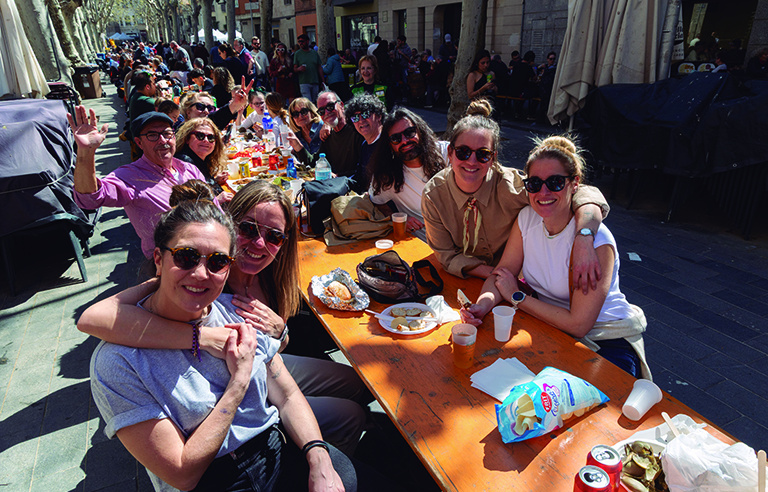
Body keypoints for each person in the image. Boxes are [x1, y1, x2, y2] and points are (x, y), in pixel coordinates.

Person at [82, 188, 360, 491]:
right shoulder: (117, 361)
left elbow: (287, 394)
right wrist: (236, 378)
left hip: (271, 447)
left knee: (344, 464)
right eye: (186, 257)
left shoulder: (236, 308)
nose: (201, 273)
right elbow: (182, 474)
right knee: (349, 415)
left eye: (217, 262)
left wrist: (318, 460)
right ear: (158, 260)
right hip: (215, 477)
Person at [460, 136, 650, 380]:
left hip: (606, 341)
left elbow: (579, 324)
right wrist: (482, 306)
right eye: (535, 184)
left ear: (574, 184)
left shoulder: (596, 241)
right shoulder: (527, 219)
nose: (544, 192)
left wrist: (516, 297)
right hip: (552, 329)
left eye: (555, 182)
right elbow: (502, 274)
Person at [421, 99, 609, 289]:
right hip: (471, 278)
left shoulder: (513, 187)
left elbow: (582, 192)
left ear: (493, 159)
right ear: (450, 153)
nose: (472, 161)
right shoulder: (433, 195)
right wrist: (496, 274)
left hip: (511, 285)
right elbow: (446, 255)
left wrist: (584, 237)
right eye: (463, 152)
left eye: (483, 154)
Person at [70, 108, 208, 258]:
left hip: (208, 247)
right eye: (152, 135)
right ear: (139, 142)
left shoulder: (188, 169)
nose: (162, 140)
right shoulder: (129, 176)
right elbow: (89, 199)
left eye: (167, 133)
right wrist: (85, 152)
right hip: (173, 262)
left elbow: (214, 207)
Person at [368, 107, 447, 241]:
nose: (404, 141)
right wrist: (398, 217)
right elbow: (376, 201)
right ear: (390, 146)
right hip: (428, 247)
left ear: (420, 131)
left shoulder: (446, 152)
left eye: (409, 132)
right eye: (396, 138)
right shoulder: (387, 176)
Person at [287, 91, 365, 190]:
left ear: (341, 105)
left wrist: (336, 176)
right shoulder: (328, 135)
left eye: (330, 106)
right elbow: (314, 163)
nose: (327, 113)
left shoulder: (357, 129)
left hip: (354, 189)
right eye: (322, 111)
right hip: (336, 186)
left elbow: (363, 170)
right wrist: (297, 146)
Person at [174, 118, 231, 198]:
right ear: (187, 139)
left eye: (211, 137)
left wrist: (214, 181)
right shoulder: (184, 163)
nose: (206, 140)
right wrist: (217, 200)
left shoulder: (201, 158)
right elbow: (189, 202)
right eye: (200, 136)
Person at [343, 94, 386, 192]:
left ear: (379, 116)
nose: (361, 121)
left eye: (365, 114)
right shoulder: (365, 145)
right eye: (355, 118)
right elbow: (359, 178)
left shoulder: (389, 143)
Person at [179, 79, 252, 131]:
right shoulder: (181, 132)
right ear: (188, 112)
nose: (206, 111)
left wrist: (236, 104)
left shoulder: (209, 127)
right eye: (200, 107)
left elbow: (217, 118)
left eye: (210, 108)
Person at [294, 34, 324, 102]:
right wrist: (299, 69)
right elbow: (294, 68)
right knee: (308, 101)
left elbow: (319, 67)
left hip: (315, 81)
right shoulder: (297, 54)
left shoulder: (314, 53)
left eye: (302, 41)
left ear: (307, 41)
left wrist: (323, 81)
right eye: (299, 42)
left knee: (314, 101)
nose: (300, 43)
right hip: (304, 82)